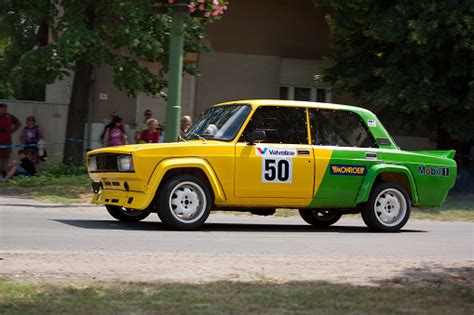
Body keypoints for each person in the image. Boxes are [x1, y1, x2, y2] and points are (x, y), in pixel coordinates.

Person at [0, 103, 21, 178]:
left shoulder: (9, 116)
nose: (4, 110)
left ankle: (4, 174)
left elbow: (18, 123)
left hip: (7, 140)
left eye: (5, 108)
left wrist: (12, 131)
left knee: (6, 157)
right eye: (2, 108)